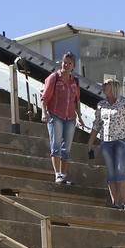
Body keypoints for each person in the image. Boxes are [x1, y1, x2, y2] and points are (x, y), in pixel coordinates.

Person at [87, 75, 125, 210]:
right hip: (106, 142)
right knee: (111, 172)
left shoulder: (124, 104)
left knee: (121, 170)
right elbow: (96, 124)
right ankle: (115, 202)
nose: (103, 87)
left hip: (121, 142)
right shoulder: (101, 105)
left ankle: (124, 201)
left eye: (106, 85)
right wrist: (91, 142)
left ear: (113, 88)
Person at [41, 52, 82, 185]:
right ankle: (57, 174)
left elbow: (76, 100)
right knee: (56, 145)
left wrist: (79, 116)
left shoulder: (75, 81)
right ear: (61, 62)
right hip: (55, 114)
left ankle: (63, 175)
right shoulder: (54, 78)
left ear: (73, 66)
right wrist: (44, 113)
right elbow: (45, 97)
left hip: (70, 117)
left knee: (67, 149)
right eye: (65, 62)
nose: (66, 65)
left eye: (69, 63)